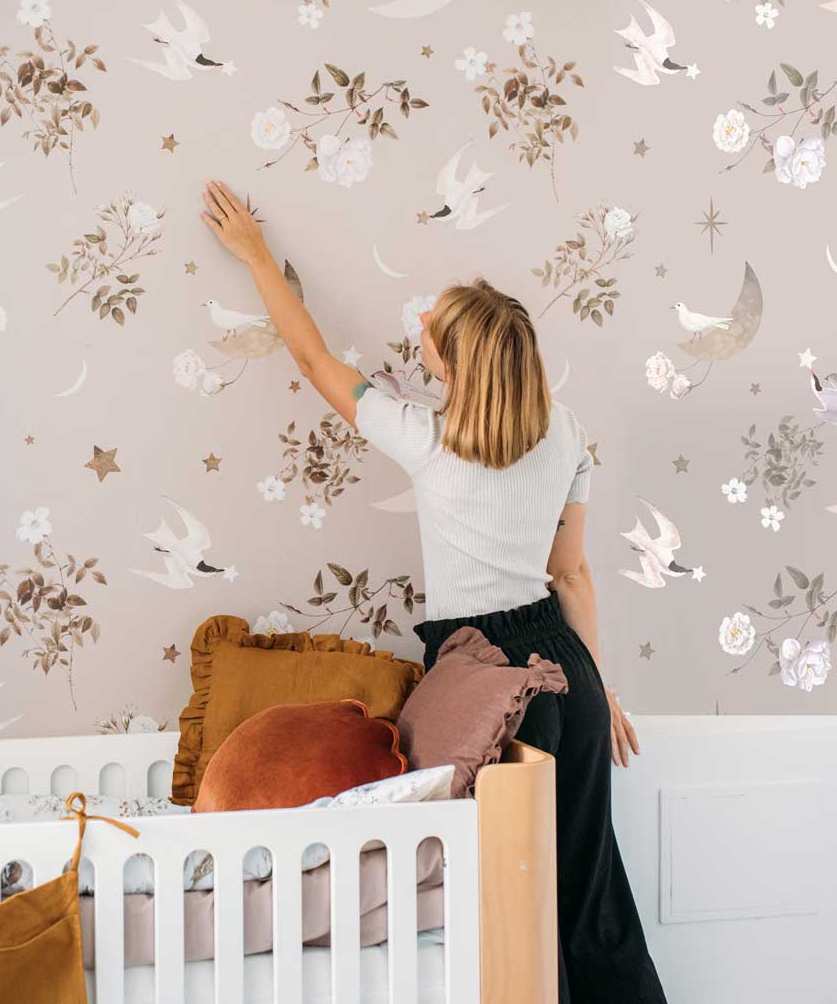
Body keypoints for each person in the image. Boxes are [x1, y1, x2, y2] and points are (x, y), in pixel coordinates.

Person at [200, 179, 667, 1004]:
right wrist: (600, 688)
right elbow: (571, 575)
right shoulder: (566, 434)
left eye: (432, 329)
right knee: (591, 894)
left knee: (509, 912)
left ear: (453, 362)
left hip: (483, 670)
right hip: (564, 668)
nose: (419, 328)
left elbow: (313, 360)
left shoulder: (426, 438)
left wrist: (256, 255)